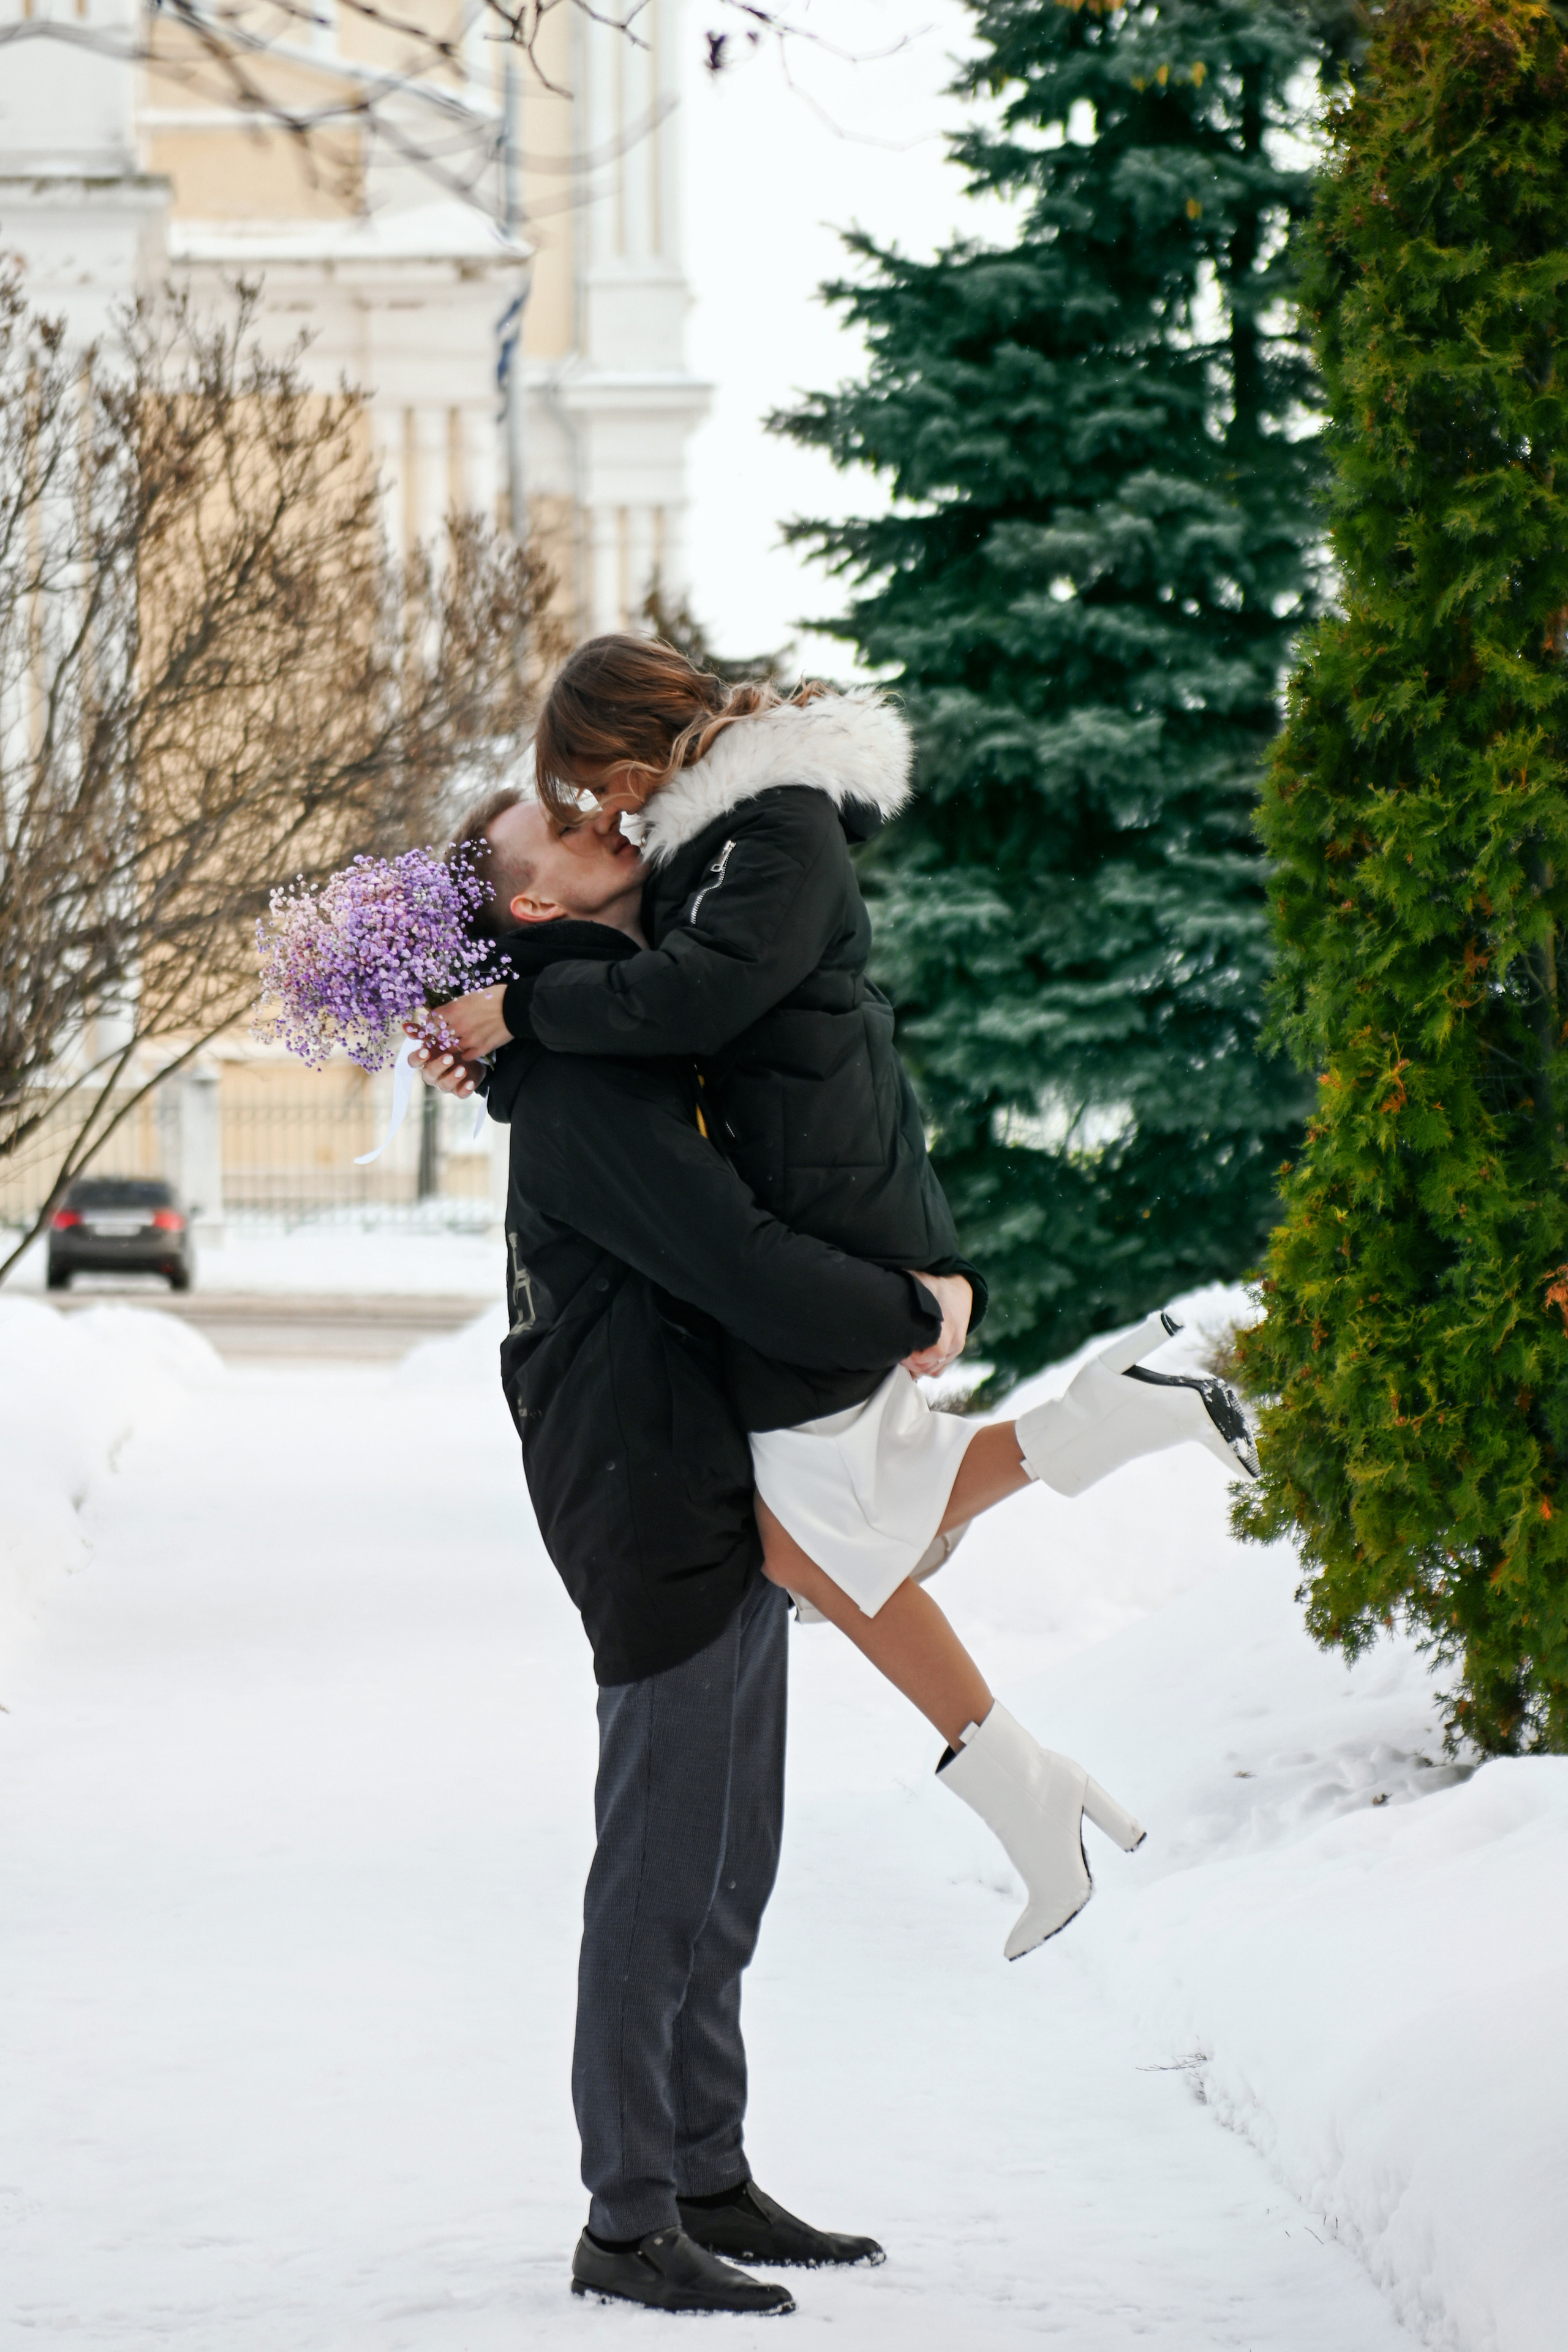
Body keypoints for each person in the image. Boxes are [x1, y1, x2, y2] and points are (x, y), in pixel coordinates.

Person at [424, 639, 1259, 1958]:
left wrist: (519, 1018)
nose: (601, 822)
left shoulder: (773, 827)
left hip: (828, 1203)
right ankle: (1030, 1745)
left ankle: (1029, 1752)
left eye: (592, 794)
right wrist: (511, 1016)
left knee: (830, 1533)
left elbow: (690, 1002)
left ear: (640, 763)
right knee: (832, 1532)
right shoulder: (726, 839)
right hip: (823, 1198)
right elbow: (656, 1015)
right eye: (576, 817)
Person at [417, 799, 966, 2317]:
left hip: (711, 1474)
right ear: (535, 913)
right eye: (572, 836)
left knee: (730, 1869)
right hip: (646, 1493)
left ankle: (706, 2169)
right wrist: (914, 1310)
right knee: (661, 1873)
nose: (611, 827)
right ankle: (626, 2216)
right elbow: (734, 1260)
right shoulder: (584, 1093)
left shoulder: (601, 1040)